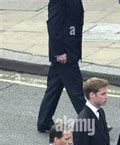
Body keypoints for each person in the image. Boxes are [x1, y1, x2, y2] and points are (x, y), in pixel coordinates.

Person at [37, 0, 85, 133]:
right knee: (76, 90)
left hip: (70, 50)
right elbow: (53, 25)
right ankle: (93, 122)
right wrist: (58, 52)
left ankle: (44, 121)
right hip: (64, 53)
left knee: (54, 87)